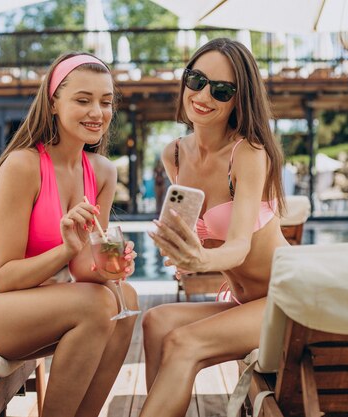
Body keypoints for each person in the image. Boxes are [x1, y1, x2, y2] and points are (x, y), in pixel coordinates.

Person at [0, 52, 139, 417]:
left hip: (19, 306)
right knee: (97, 304)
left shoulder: (102, 171)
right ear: (54, 104)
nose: (96, 113)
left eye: (105, 102)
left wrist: (109, 268)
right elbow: (4, 278)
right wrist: (65, 250)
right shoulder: (23, 165)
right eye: (82, 100)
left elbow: (85, 270)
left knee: (124, 299)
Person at [141, 38, 287, 417]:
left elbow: (238, 246)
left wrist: (198, 258)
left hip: (284, 300)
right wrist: (178, 251)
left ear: (240, 100)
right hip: (241, 301)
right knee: (156, 322)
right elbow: (192, 233)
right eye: (197, 80)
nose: (204, 95)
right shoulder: (174, 153)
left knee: (184, 342)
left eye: (222, 90)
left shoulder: (249, 153)